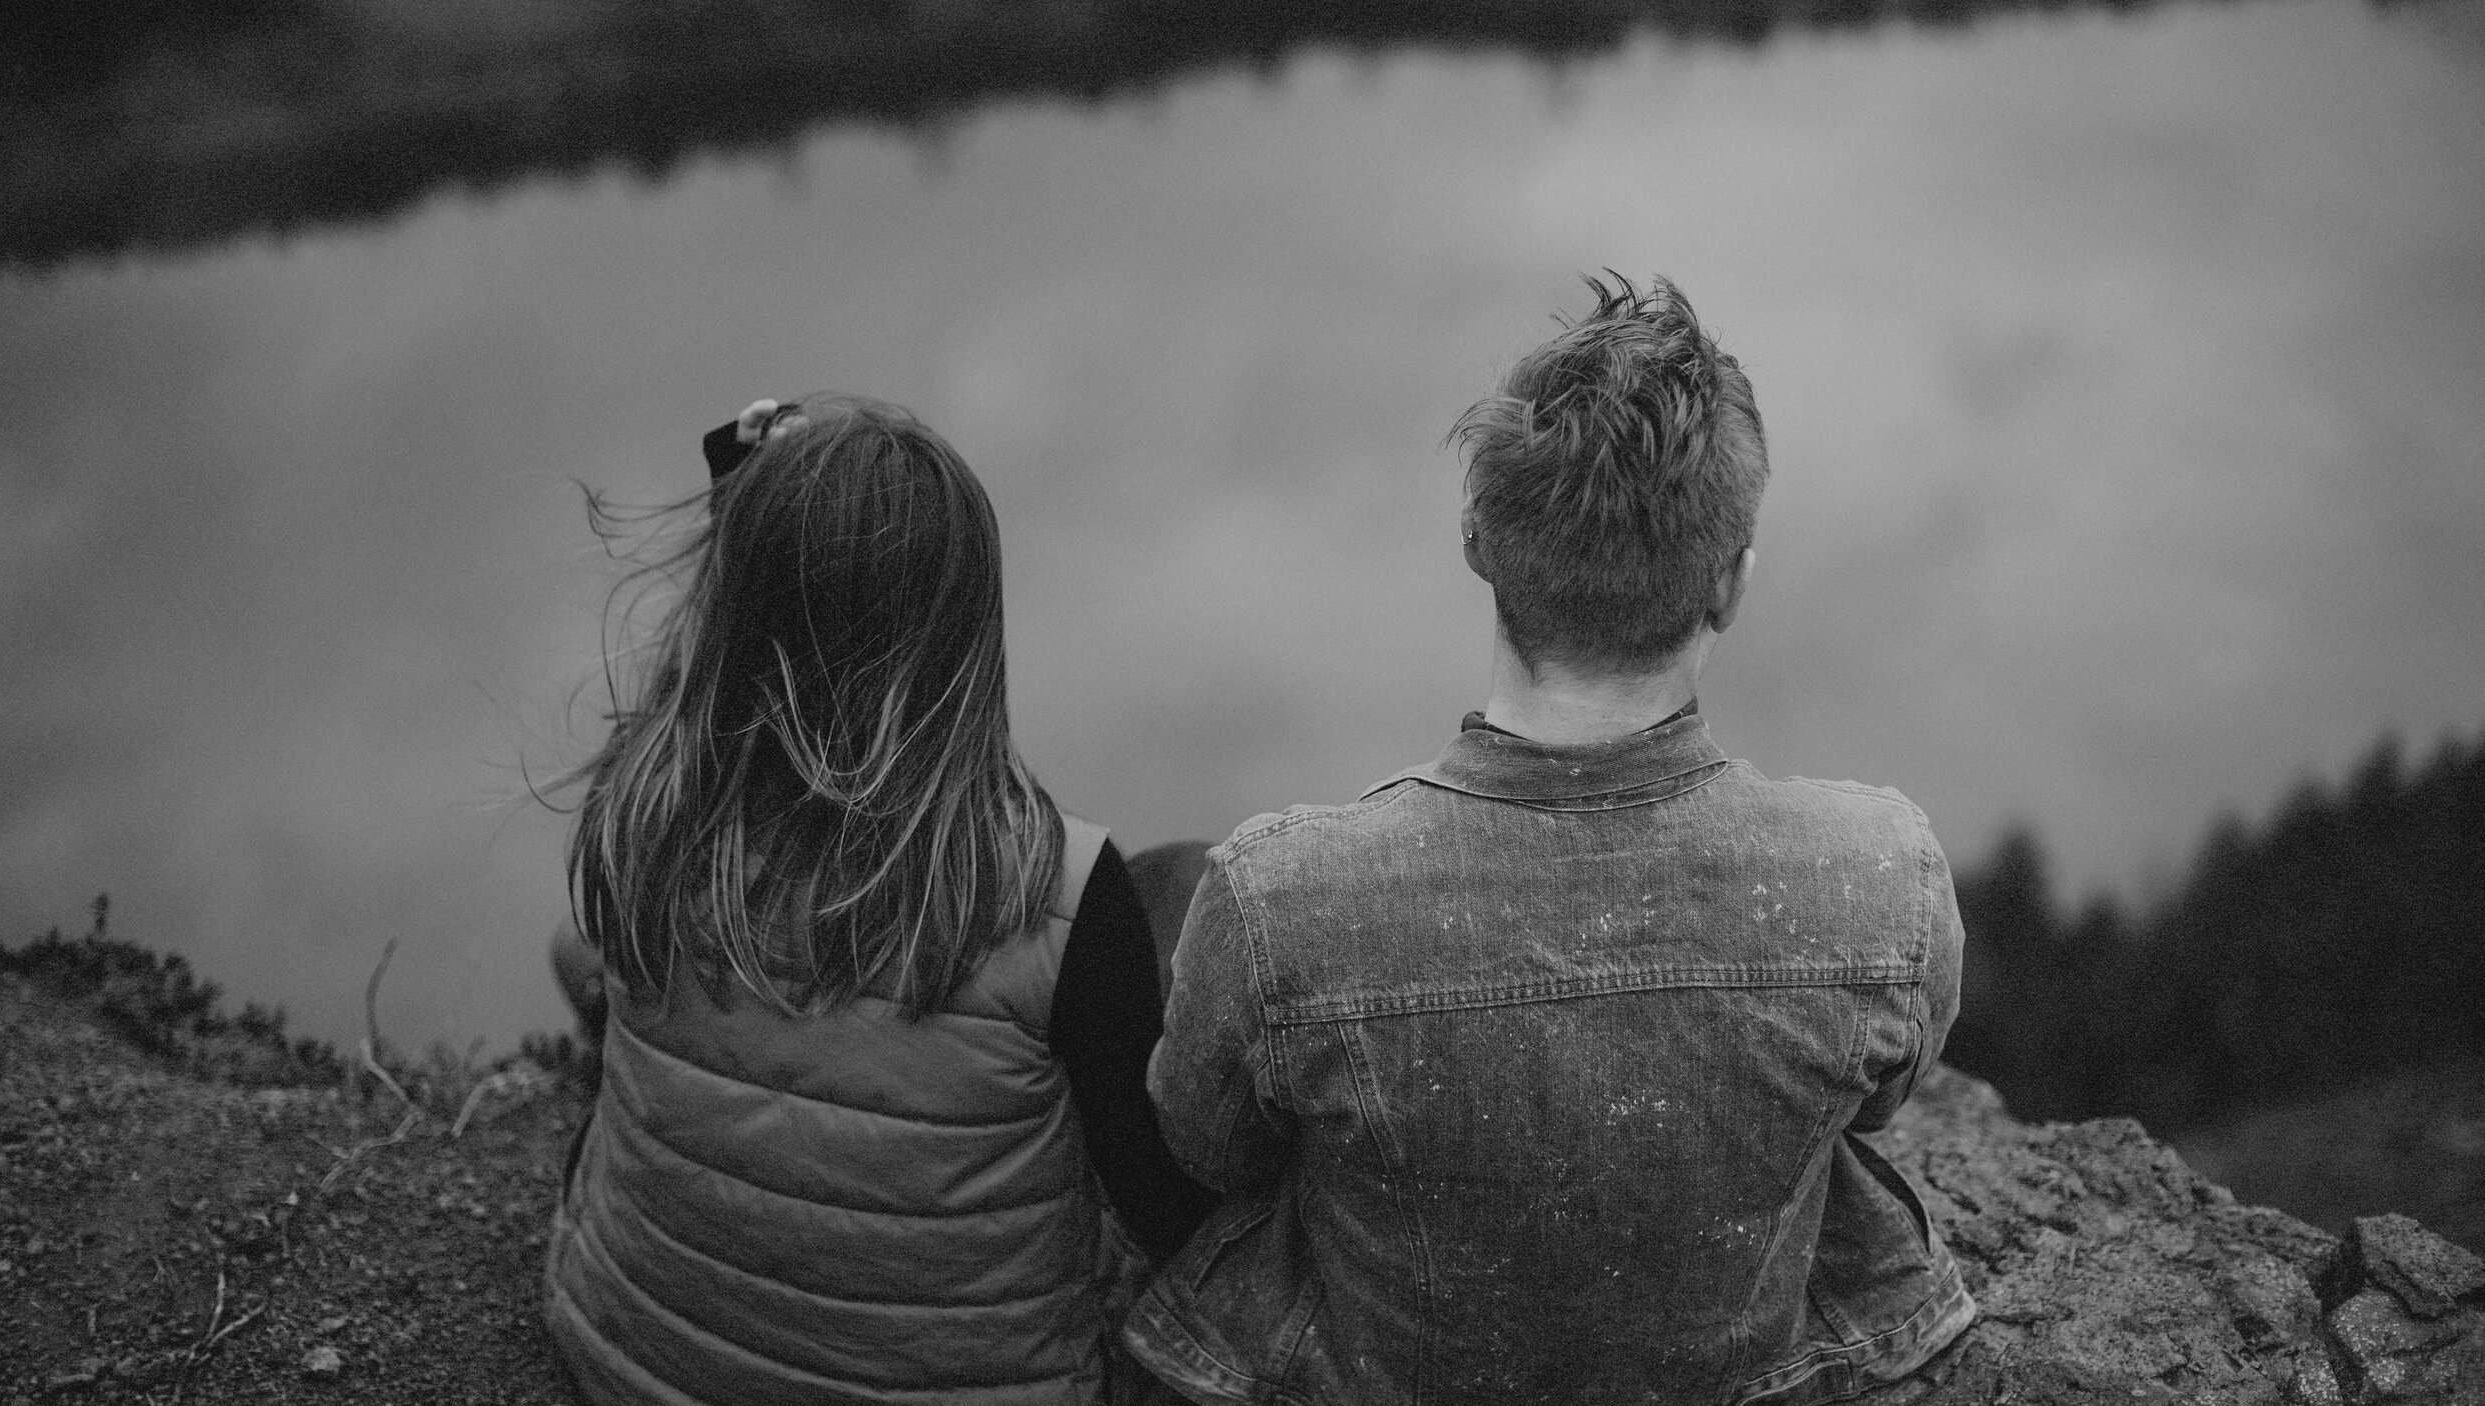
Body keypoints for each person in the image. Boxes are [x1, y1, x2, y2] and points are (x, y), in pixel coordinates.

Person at [1122, 274, 1974, 1405]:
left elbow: (1209, 1147)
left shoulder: (1276, 899)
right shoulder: (1882, 878)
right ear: (1728, 583)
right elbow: (1870, 1105)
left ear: (1478, 541)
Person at [544, 395, 1213, 1405]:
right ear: (965, 627)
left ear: (734, 608)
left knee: (577, 949)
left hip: (629, 1365)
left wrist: (753, 490)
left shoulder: (643, 808)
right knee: (1189, 878)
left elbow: (706, 669)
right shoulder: (1062, 892)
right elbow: (1165, 1216)